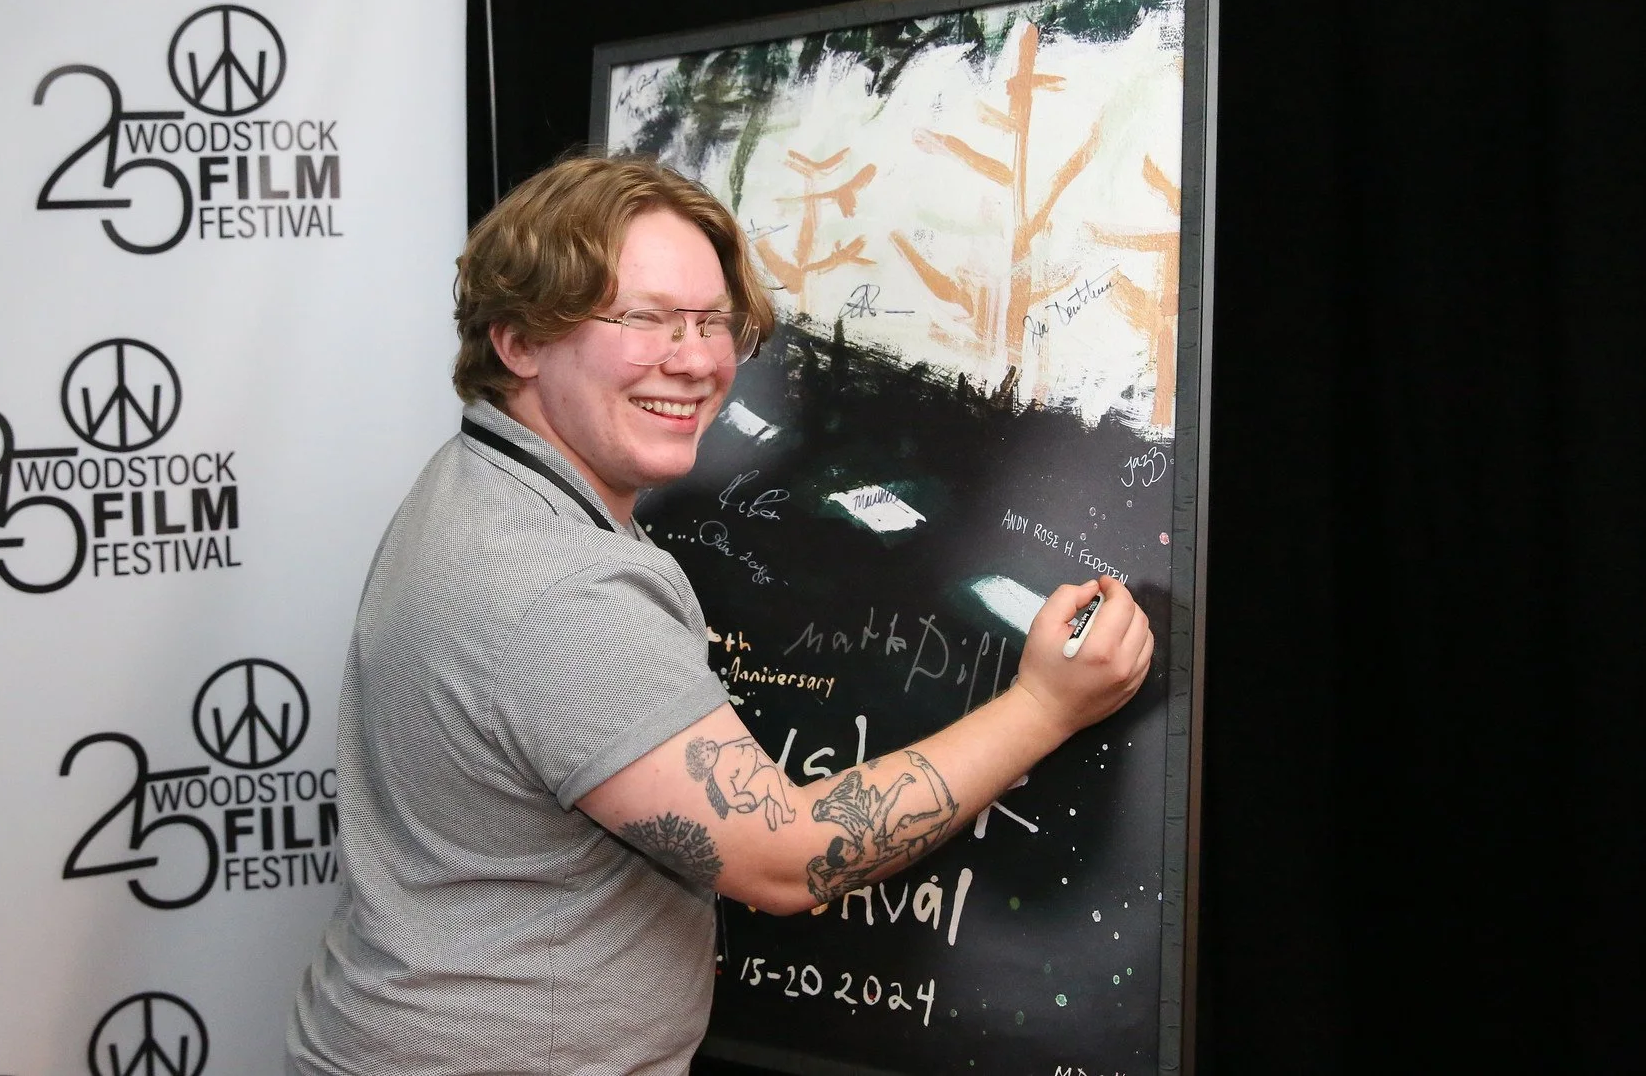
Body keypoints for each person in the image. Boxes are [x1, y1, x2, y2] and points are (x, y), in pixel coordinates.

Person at [287, 156, 1154, 1076]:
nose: (698, 360)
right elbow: (786, 860)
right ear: (519, 341)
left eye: (711, 321)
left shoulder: (479, 481)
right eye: (646, 318)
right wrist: (1046, 707)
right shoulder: (558, 588)